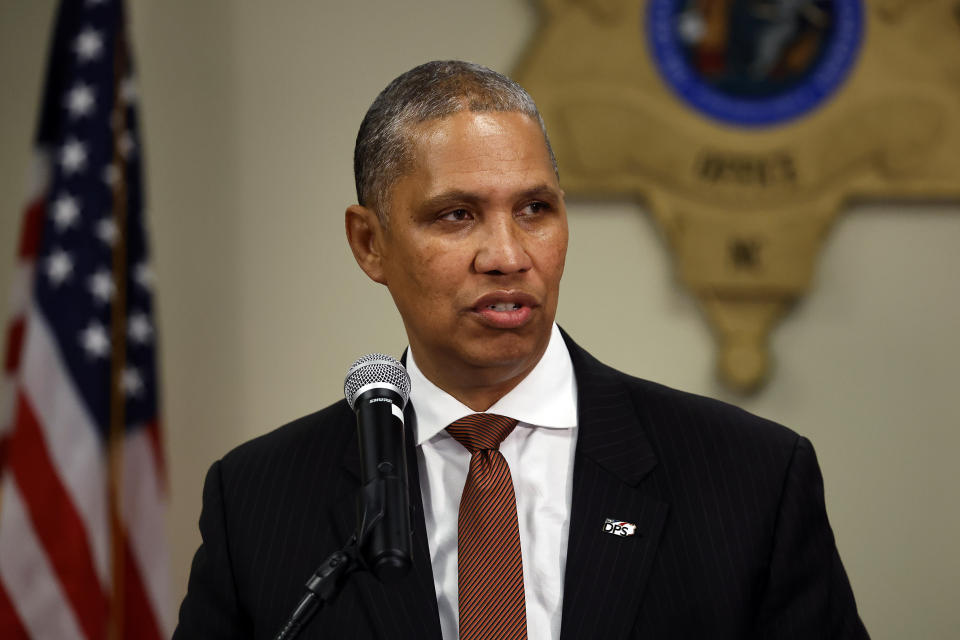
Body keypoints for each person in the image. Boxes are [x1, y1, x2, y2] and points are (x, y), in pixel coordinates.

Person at [173, 60, 869, 639]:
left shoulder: (751, 478)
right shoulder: (259, 498)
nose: (508, 256)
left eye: (535, 209)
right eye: (456, 215)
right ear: (369, 243)